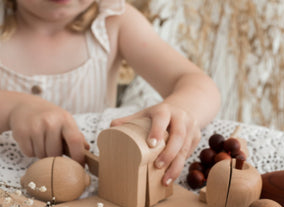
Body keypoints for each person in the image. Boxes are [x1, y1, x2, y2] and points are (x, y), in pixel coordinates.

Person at [0, 0, 220, 186]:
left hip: (87, 194)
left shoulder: (113, 21)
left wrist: (181, 110)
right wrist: (14, 109)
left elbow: (200, 85)